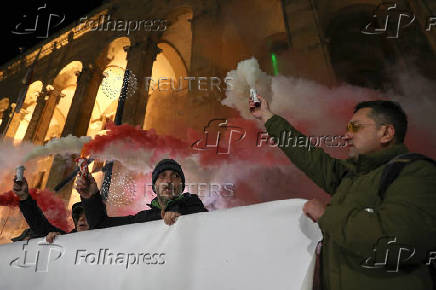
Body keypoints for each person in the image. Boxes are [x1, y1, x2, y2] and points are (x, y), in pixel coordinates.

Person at [250, 97, 436, 290]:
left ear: (386, 133)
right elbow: (309, 156)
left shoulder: (416, 172)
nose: (346, 135)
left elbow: (397, 240)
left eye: (355, 127)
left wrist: (327, 215)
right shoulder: (351, 176)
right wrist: (267, 117)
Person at [76, 158, 208, 229]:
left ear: (182, 186)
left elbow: (202, 219)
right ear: (154, 186)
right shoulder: (142, 218)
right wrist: (91, 197)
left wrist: (175, 212)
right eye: (162, 176)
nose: (169, 181)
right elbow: (101, 226)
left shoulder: (193, 205)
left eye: (175, 176)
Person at [12, 176, 90, 243]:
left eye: (87, 216)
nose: (81, 219)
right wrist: (24, 197)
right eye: (78, 217)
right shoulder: (64, 237)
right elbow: (39, 225)